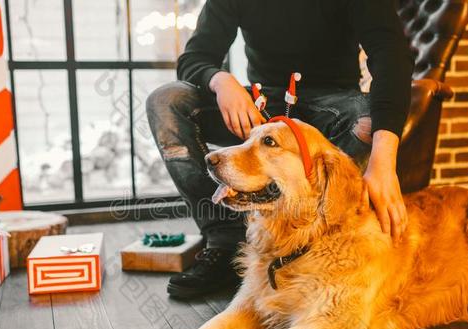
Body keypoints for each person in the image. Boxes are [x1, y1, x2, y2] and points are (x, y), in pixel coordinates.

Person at [146, 0, 414, 299]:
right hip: (263, 107)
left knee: (366, 121)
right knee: (166, 101)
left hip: (333, 105)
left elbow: (392, 56)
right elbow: (195, 57)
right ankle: (225, 241)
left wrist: (384, 164)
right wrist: (220, 81)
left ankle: (322, 241)